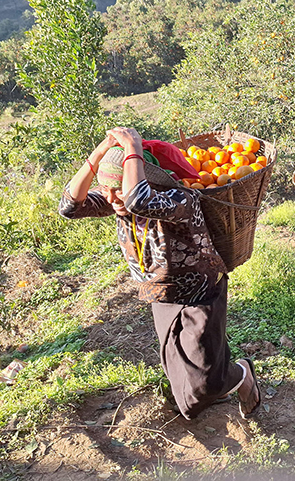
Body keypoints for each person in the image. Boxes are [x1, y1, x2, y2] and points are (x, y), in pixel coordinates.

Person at [59, 127, 261, 421]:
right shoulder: (118, 201)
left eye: (117, 188)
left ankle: (241, 374)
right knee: (185, 391)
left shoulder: (181, 199)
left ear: (150, 180)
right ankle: (218, 378)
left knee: (204, 382)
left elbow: (136, 200)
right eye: (106, 189)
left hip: (200, 293)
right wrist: (101, 151)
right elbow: (69, 206)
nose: (112, 197)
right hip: (162, 296)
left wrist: (134, 147)